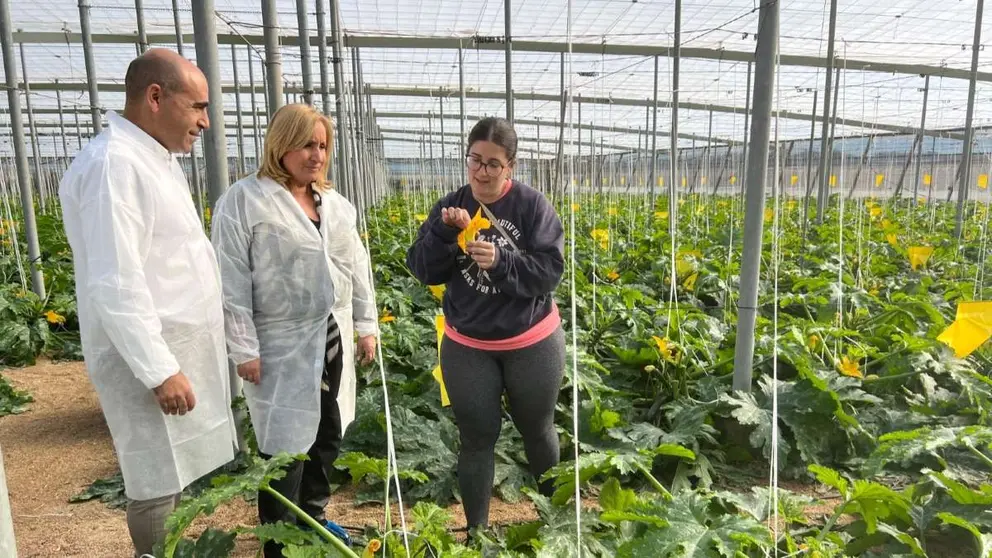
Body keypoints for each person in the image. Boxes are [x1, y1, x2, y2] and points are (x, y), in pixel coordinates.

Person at [58, 48, 238, 557]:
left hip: (172, 347)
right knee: (155, 477)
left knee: (172, 474)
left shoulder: (151, 158)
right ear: (156, 97)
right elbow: (116, 281)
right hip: (150, 358)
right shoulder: (113, 164)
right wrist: (159, 370)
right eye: (198, 106)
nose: (205, 121)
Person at [210, 103, 377, 557]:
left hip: (332, 332)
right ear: (281, 144)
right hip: (279, 340)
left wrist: (366, 325)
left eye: (322, 145)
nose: (316, 154)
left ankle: (315, 516)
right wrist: (243, 346)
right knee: (283, 445)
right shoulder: (244, 200)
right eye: (307, 143)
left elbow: (356, 266)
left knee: (329, 429)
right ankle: (278, 539)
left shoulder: (336, 205)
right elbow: (231, 279)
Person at [406, 116, 566, 530]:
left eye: (493, 163)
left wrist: (501, 261)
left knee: (538, 430)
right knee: (476, 439)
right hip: (468, 345)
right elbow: (422, 269)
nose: (481, 171)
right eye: (474, 160)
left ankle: (557, 524)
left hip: (532, 341)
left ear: (510, 165)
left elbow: (550, 270)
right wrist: (443, 233)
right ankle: (475, 534)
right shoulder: (450, 205)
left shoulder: (532, 206)